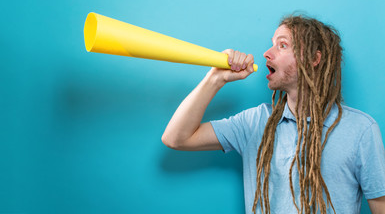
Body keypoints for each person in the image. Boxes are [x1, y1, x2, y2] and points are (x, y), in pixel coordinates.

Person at [161, 14, 385, 214]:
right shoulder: (254, 122)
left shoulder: (361, 130)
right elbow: (175, 138)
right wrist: (215, 78)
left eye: (283, 45)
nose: (267, 54)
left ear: (314, 59)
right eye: (272, 45)